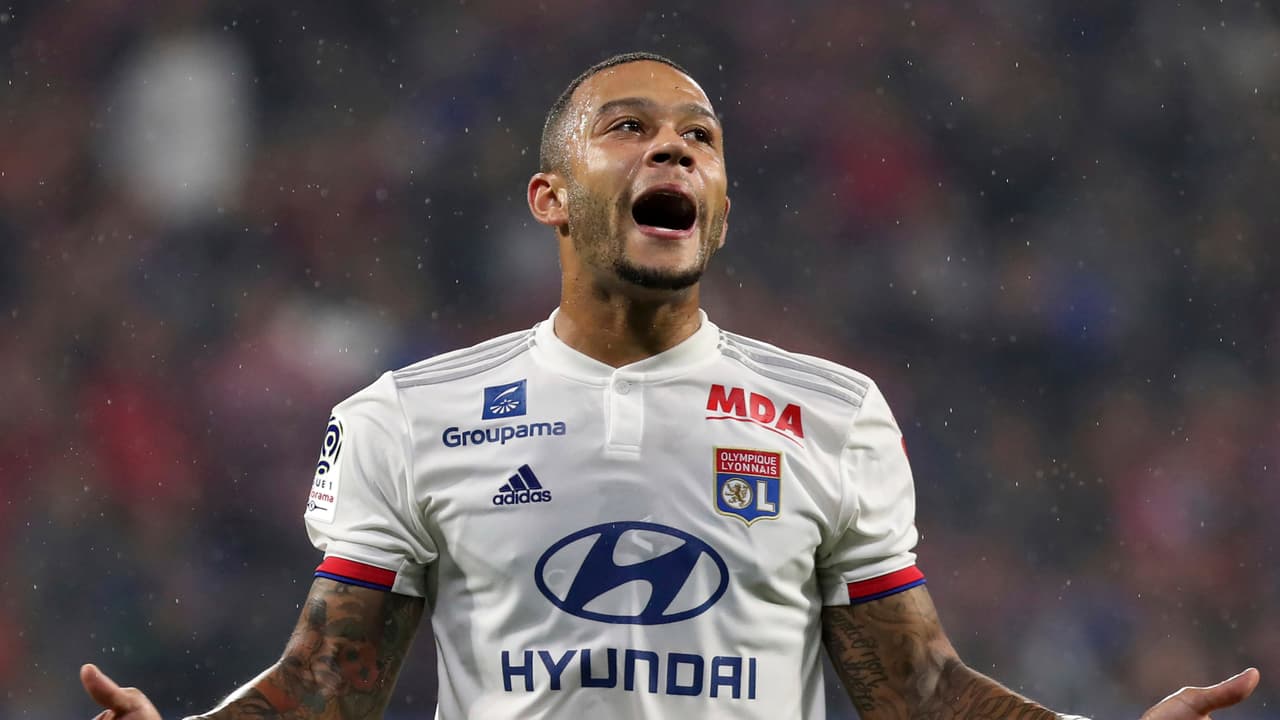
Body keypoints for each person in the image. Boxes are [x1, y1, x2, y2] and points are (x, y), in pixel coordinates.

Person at [80, 51, 1259, 720]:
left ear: (721, 208)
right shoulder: (407, 417)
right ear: (549, 199)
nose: (672, 147)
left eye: (699, 136)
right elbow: (331, 682)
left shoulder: (833, 413)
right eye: (627, 127)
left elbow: (914, 688)